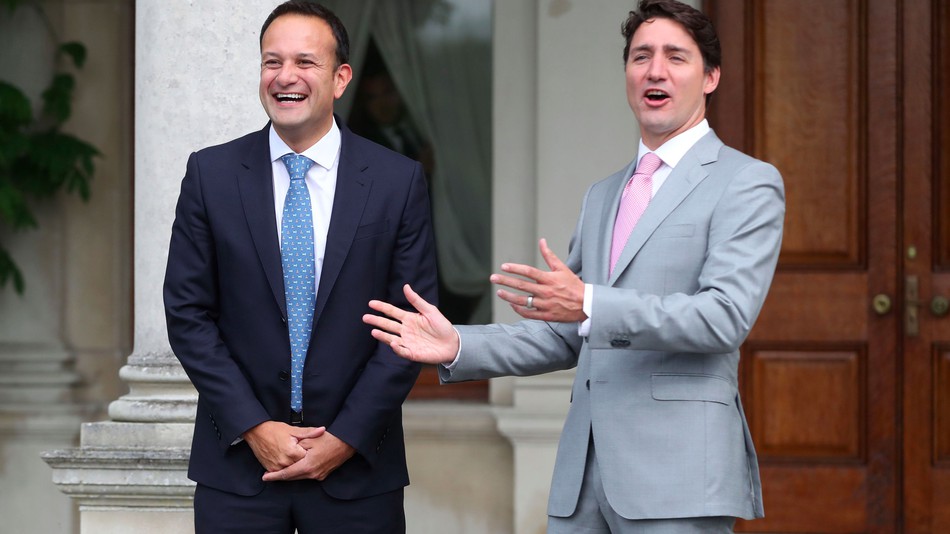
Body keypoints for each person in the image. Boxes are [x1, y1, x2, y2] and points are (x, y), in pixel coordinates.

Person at [363, 0, 785, 532]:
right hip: (582, 482)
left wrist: (587, 300)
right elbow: (568, 334)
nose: (655, 70)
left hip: (676, 482)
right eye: (640, 57)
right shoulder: (603, 195)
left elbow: (723, 317)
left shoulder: (746, 182)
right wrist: (460, 346)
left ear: (711, 76)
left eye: (676, 57)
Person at [162, 2, 437, 532]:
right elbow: (188, 314)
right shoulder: (210, 174)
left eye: (305, 62)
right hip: (238, 470)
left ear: (340, 78)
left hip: (358, 474)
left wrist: (345, 438)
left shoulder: (396, 181)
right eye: (272, 62)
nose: (286, 77)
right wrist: (255, 427)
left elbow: (412, 326)